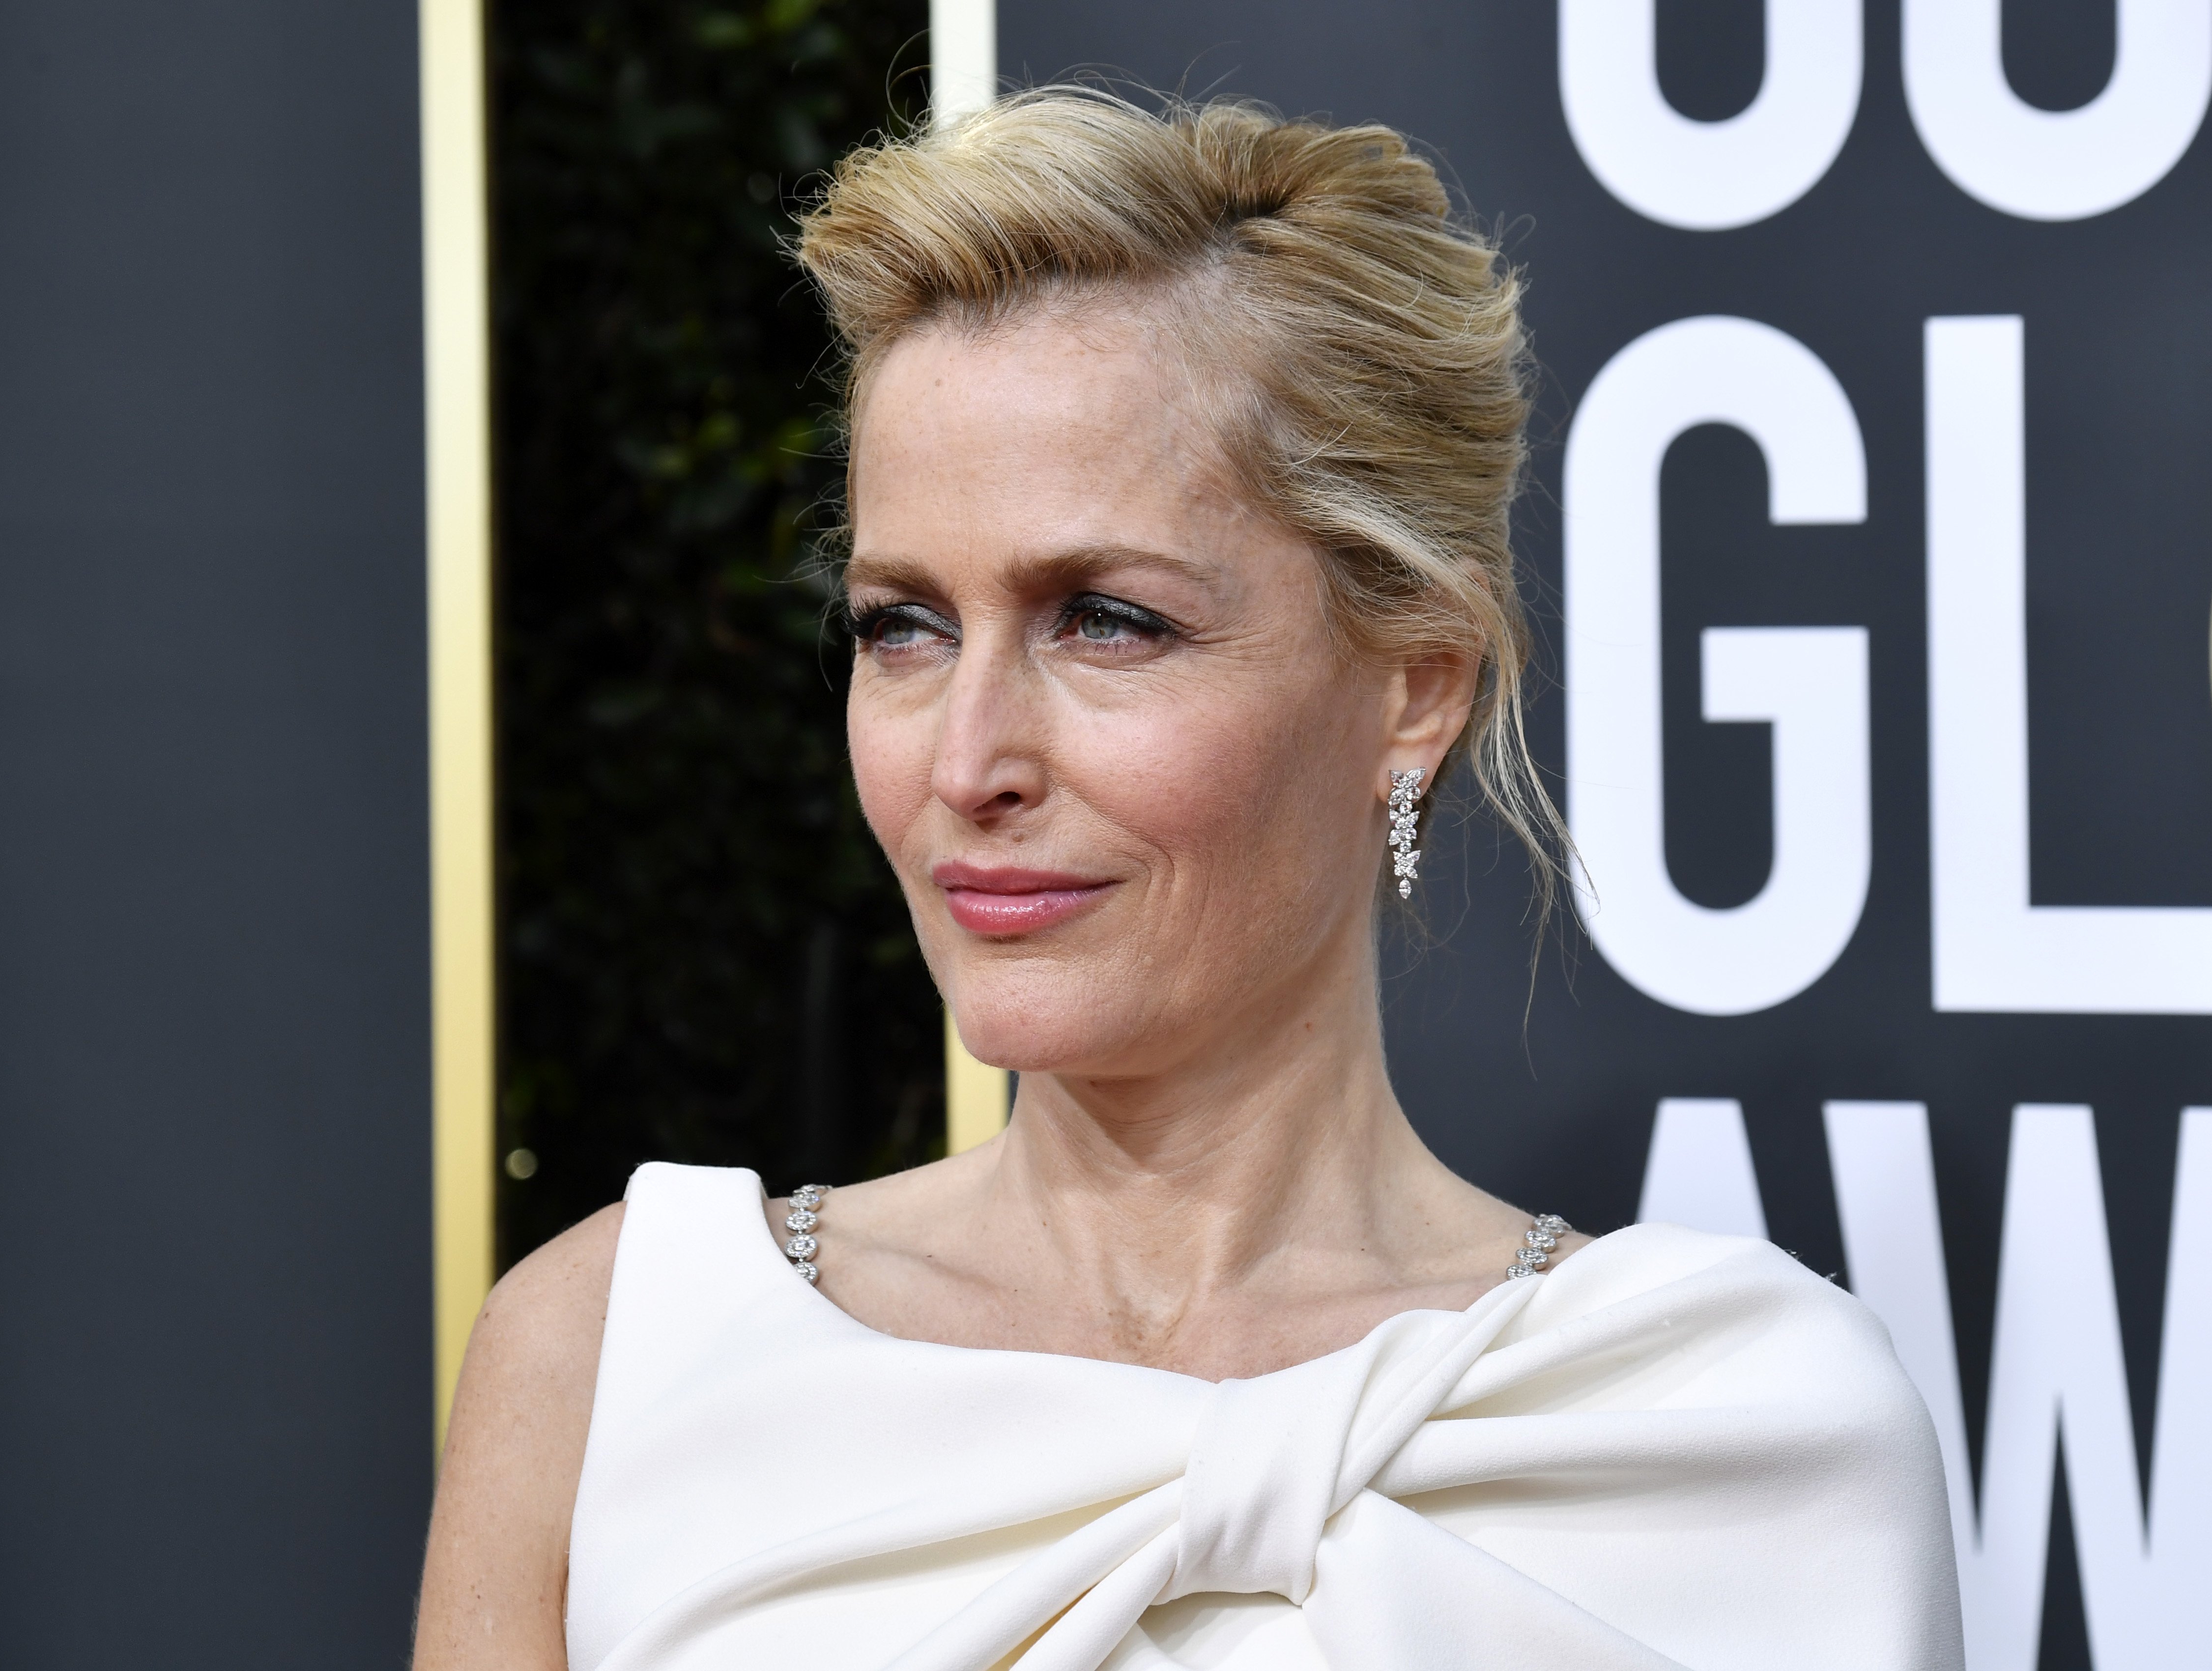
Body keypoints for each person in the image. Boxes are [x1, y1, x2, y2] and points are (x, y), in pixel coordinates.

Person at [414, 89, 1963, 1671]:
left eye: (1106, 620)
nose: (969, 764)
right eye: (903, 626)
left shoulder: (1725, 1429)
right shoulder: (613, 1361)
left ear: (1414, 686)